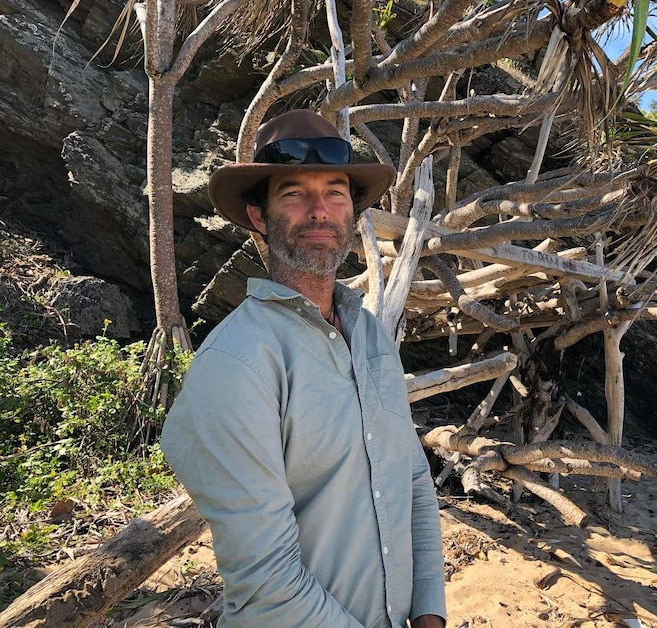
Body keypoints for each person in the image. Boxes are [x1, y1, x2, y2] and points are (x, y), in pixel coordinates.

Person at [161, 110, 447, 628]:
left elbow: (411, 480)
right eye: (294, 193)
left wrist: (429, 611)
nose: (320, 211)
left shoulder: (370, 335)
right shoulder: (235, 363)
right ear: (258, 216)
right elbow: (267, 579)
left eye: (336, 192)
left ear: (353, 213)